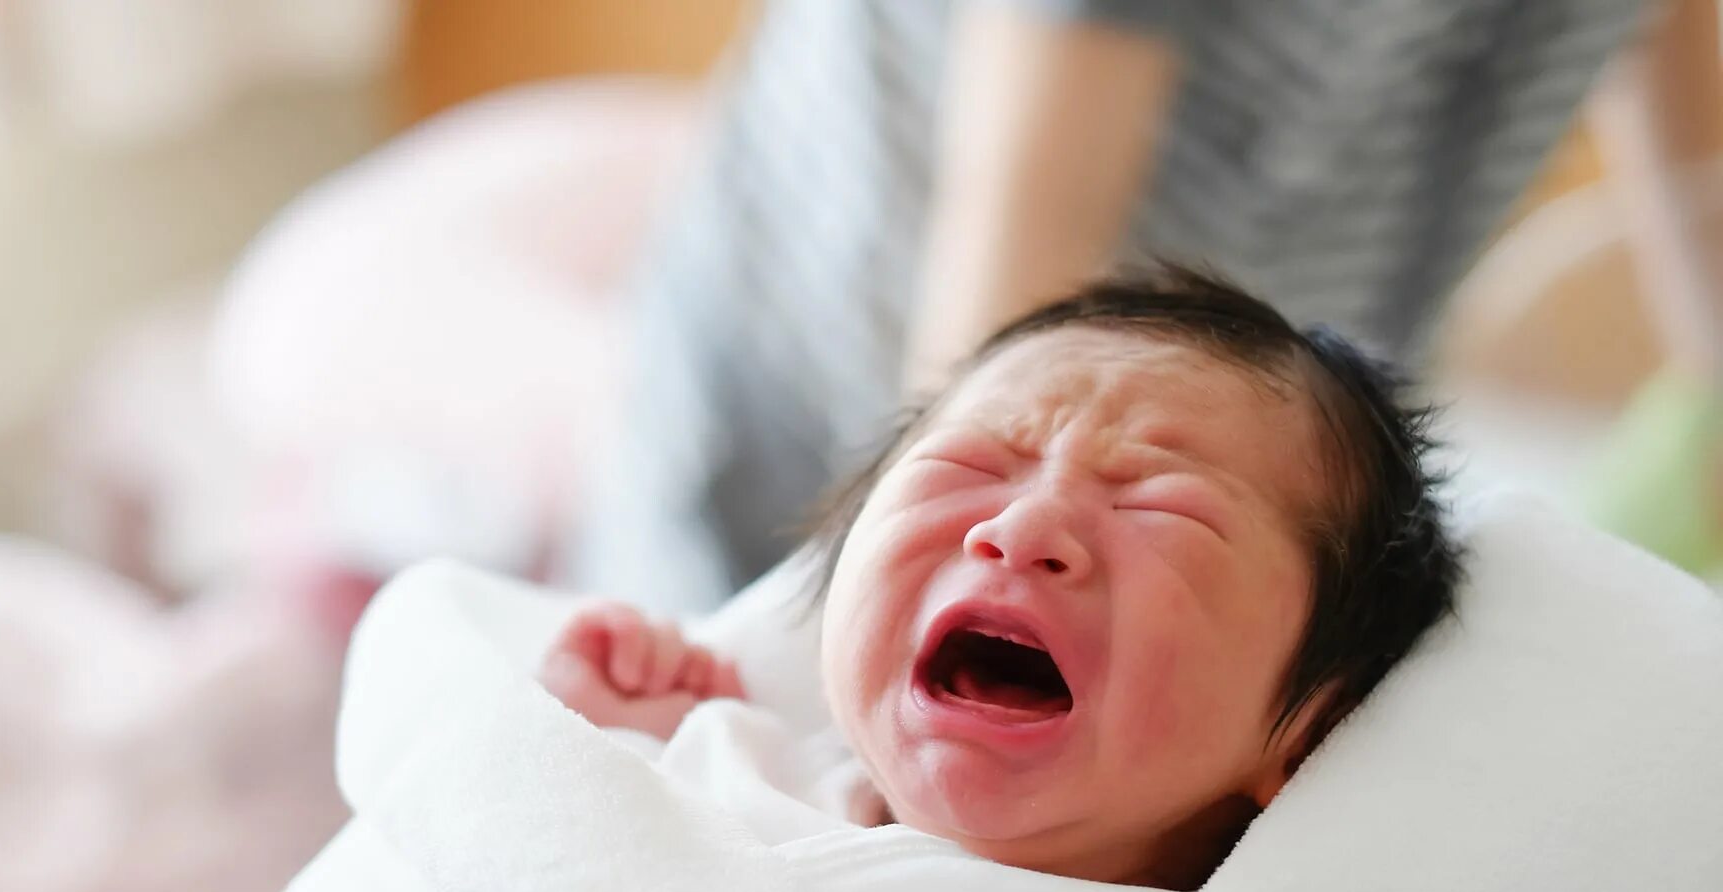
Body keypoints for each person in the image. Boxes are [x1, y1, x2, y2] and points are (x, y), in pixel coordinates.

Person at [568, 0, 1719, 610]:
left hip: (1252, 396)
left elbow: (1688, 150)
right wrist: (918, 580)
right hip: (881, 383)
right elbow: (1024, 216)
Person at [543, 266, 1463, 891]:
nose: (1021, 529)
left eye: (1163, 508)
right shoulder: (740, 768)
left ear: (1310, 731)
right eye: (974, 465)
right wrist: (608, 735)